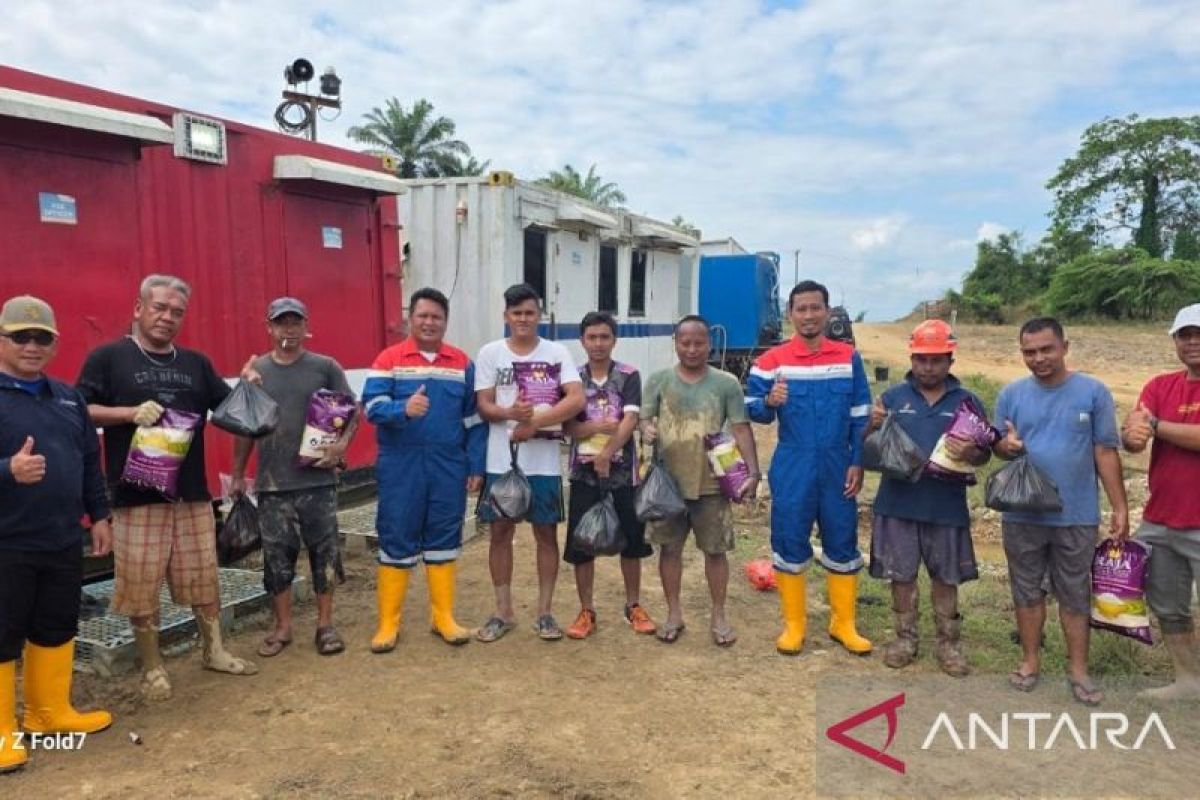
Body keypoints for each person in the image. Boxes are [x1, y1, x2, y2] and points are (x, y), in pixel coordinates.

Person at [77, 275, 257, 702]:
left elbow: (231, 412)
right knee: (140, 582)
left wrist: (248, 387)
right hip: (136, 495)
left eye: (177, 312)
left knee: (202, 578)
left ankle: (214, 650)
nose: (167, 317)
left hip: (190, 493)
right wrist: (128, 413)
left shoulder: (196, 363)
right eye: (158, 307)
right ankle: (153, 667)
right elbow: (79, 410)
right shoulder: (108, 357)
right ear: (138, 308)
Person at [0, 296, 113, 773]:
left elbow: (89, 460)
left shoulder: (69, 398)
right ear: (1, 340)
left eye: (41, 337)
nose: (31, 345)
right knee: (1, 635)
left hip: (62, 538)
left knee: (55, 624)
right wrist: (8, 469)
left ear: (54, 344)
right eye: (20, 336)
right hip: (7, 542)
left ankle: (48, 714)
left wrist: (100, 515)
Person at [993, 317, 1128, 706]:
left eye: (1046, 349)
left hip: (1077, 514)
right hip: (1021, 514)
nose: (1038, 358)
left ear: (1065, 347)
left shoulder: (1093, 392)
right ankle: (1031, 661)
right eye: (1029, 352)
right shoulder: (1011, 395)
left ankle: (1079, 670)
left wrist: (1119, 506)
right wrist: (1007, 446)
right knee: (1026, 589)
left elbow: (1105, 451)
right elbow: (996, 445)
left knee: (1074, 593)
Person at [746, 281, 872, 656]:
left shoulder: (848, 358)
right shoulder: (772, 360)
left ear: (828, 312)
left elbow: (861, 413)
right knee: (789, 537)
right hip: (793, 462)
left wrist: (857, 461)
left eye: (816, 308)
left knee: (842, 536)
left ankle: (843, 624)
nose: (809, 316)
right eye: (801, 309)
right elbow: (751, 406)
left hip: (838, 462)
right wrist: (769, 400)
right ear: (790, 314)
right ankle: (794, 625)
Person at [862, 320, 990, 675]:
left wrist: (972, 452)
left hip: (946, 506)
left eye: (936, 360)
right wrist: (871, 426)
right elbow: (865, 447)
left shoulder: (968, 402)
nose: (928, 367)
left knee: (945, 577)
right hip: (897, 503)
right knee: (901, 575)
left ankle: (948, 645)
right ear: (912, 358)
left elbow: (983, 457)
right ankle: (905, 639)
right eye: (921, 359)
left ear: (950, 359)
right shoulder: (891, 399)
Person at [231, 298, 357, 657]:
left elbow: (351, 413)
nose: (289, 329)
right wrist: (239, 473)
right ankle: (283, 627)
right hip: (273, 484)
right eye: (281, 323)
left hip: (318, 482)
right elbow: (244, 427)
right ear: (269, 328)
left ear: (306, 326)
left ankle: (325, 625)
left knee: (325, 554)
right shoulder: (256, 372)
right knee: (277, 559)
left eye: (295, 322)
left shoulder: (325, 368)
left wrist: (341, 446)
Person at [362, 287, 486, 651]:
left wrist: (475, 464)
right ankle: (388, 623)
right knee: (396, 533)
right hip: (401, 463)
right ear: (410, 319)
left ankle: (443, 617)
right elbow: (370, 407)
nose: (430, 322)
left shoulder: (461, 362)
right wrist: (402, 409)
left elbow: (476, 419)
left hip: (449, 464)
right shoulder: (389, 359)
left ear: (445, 321)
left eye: (436, 317)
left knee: (445, 534)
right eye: (423, 316)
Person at [473, 284, 585, 642]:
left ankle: (545, 613)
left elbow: (576, 399)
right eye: (516, 313)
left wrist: (532, 423)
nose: (523, 319)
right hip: (500, 461)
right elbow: (484, 405)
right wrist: (508, 413)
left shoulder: (556, 353)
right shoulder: (491, 353)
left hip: (544, 463)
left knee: (546, 534)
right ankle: (503, 611)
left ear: (540, 316)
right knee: (500, 533)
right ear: (506, 316)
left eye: (529, 313)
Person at [642, 315, 760, 646]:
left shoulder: (726, 384)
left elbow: (740, 427)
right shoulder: (659, 381)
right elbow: (645, 419)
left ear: (710, 344)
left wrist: (753, 471)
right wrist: (646, 429)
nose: (692, 349)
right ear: (676, 344)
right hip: (668, 485)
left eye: (699, 343)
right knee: (669, 550)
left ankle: (719, 614)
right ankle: (673, 613)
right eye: (685, 343)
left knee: (715, 551)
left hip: (713, 482)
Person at [1122, 302, 1200, 701]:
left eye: (1199, 334)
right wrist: (1133, 434)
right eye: (1185, 334)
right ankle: (1188, 682)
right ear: (1174, 340)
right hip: (1163, 519)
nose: (1193, 342)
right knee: (1169, 606)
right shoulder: (1158, 387)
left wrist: (1155, 426)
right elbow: (1135, 437)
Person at [561, 311, 656, 639]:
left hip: (623, 473)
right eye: (592, 337)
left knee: (632, 541)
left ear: (614, 340)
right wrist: (595, 428)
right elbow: (568, 426)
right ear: (582, 340)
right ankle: (586, 610)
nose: (598, 343)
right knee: (582, 543)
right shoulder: (572, 378)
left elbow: (629, 421)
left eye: (605, 337)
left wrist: (606, 452)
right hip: (583, 475)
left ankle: (633, 606)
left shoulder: (629, 376)